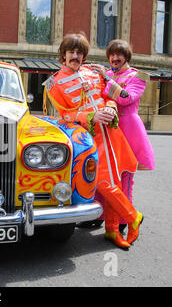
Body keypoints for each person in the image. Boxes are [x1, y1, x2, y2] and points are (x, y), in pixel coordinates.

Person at [43, 33, 143, 249]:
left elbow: (110, 97)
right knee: (99, 181)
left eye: (79, 52)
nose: (75, 56)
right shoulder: (53, 83)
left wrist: (110, 107)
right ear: (64, 54)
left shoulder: (95, 72)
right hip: (86, 138)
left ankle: (112, 230)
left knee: (114, 181)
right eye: (72, 52)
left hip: (111, 134)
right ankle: (133, 216)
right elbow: (62, 115)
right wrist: (89, 116)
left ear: (84, 55)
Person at [90, 39, 155, 229]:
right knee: (102, 173)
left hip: (127, 129)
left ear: (126, 57)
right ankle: (100, 214)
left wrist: (106, 79)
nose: (114, 58)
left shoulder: (138, 76)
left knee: (125, 175)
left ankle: (124, 218)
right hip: (106, 130)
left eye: (119, 54)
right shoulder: (106, 73)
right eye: (111, 54)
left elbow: (126, 98)